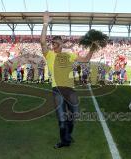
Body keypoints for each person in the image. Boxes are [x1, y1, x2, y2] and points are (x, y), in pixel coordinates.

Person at [40, 11, 94, 149]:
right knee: (62, 119)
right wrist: (45, 23)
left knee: (74, 115)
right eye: (54, 43)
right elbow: (42, 41)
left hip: (70, 90)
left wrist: (93, 48)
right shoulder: (49, 54)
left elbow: (86, 59)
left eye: (58, 42)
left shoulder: (69, 55)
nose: (55, 45)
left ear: (62, 44)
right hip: (57, 90)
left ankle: (67, 136)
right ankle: (64, 141)